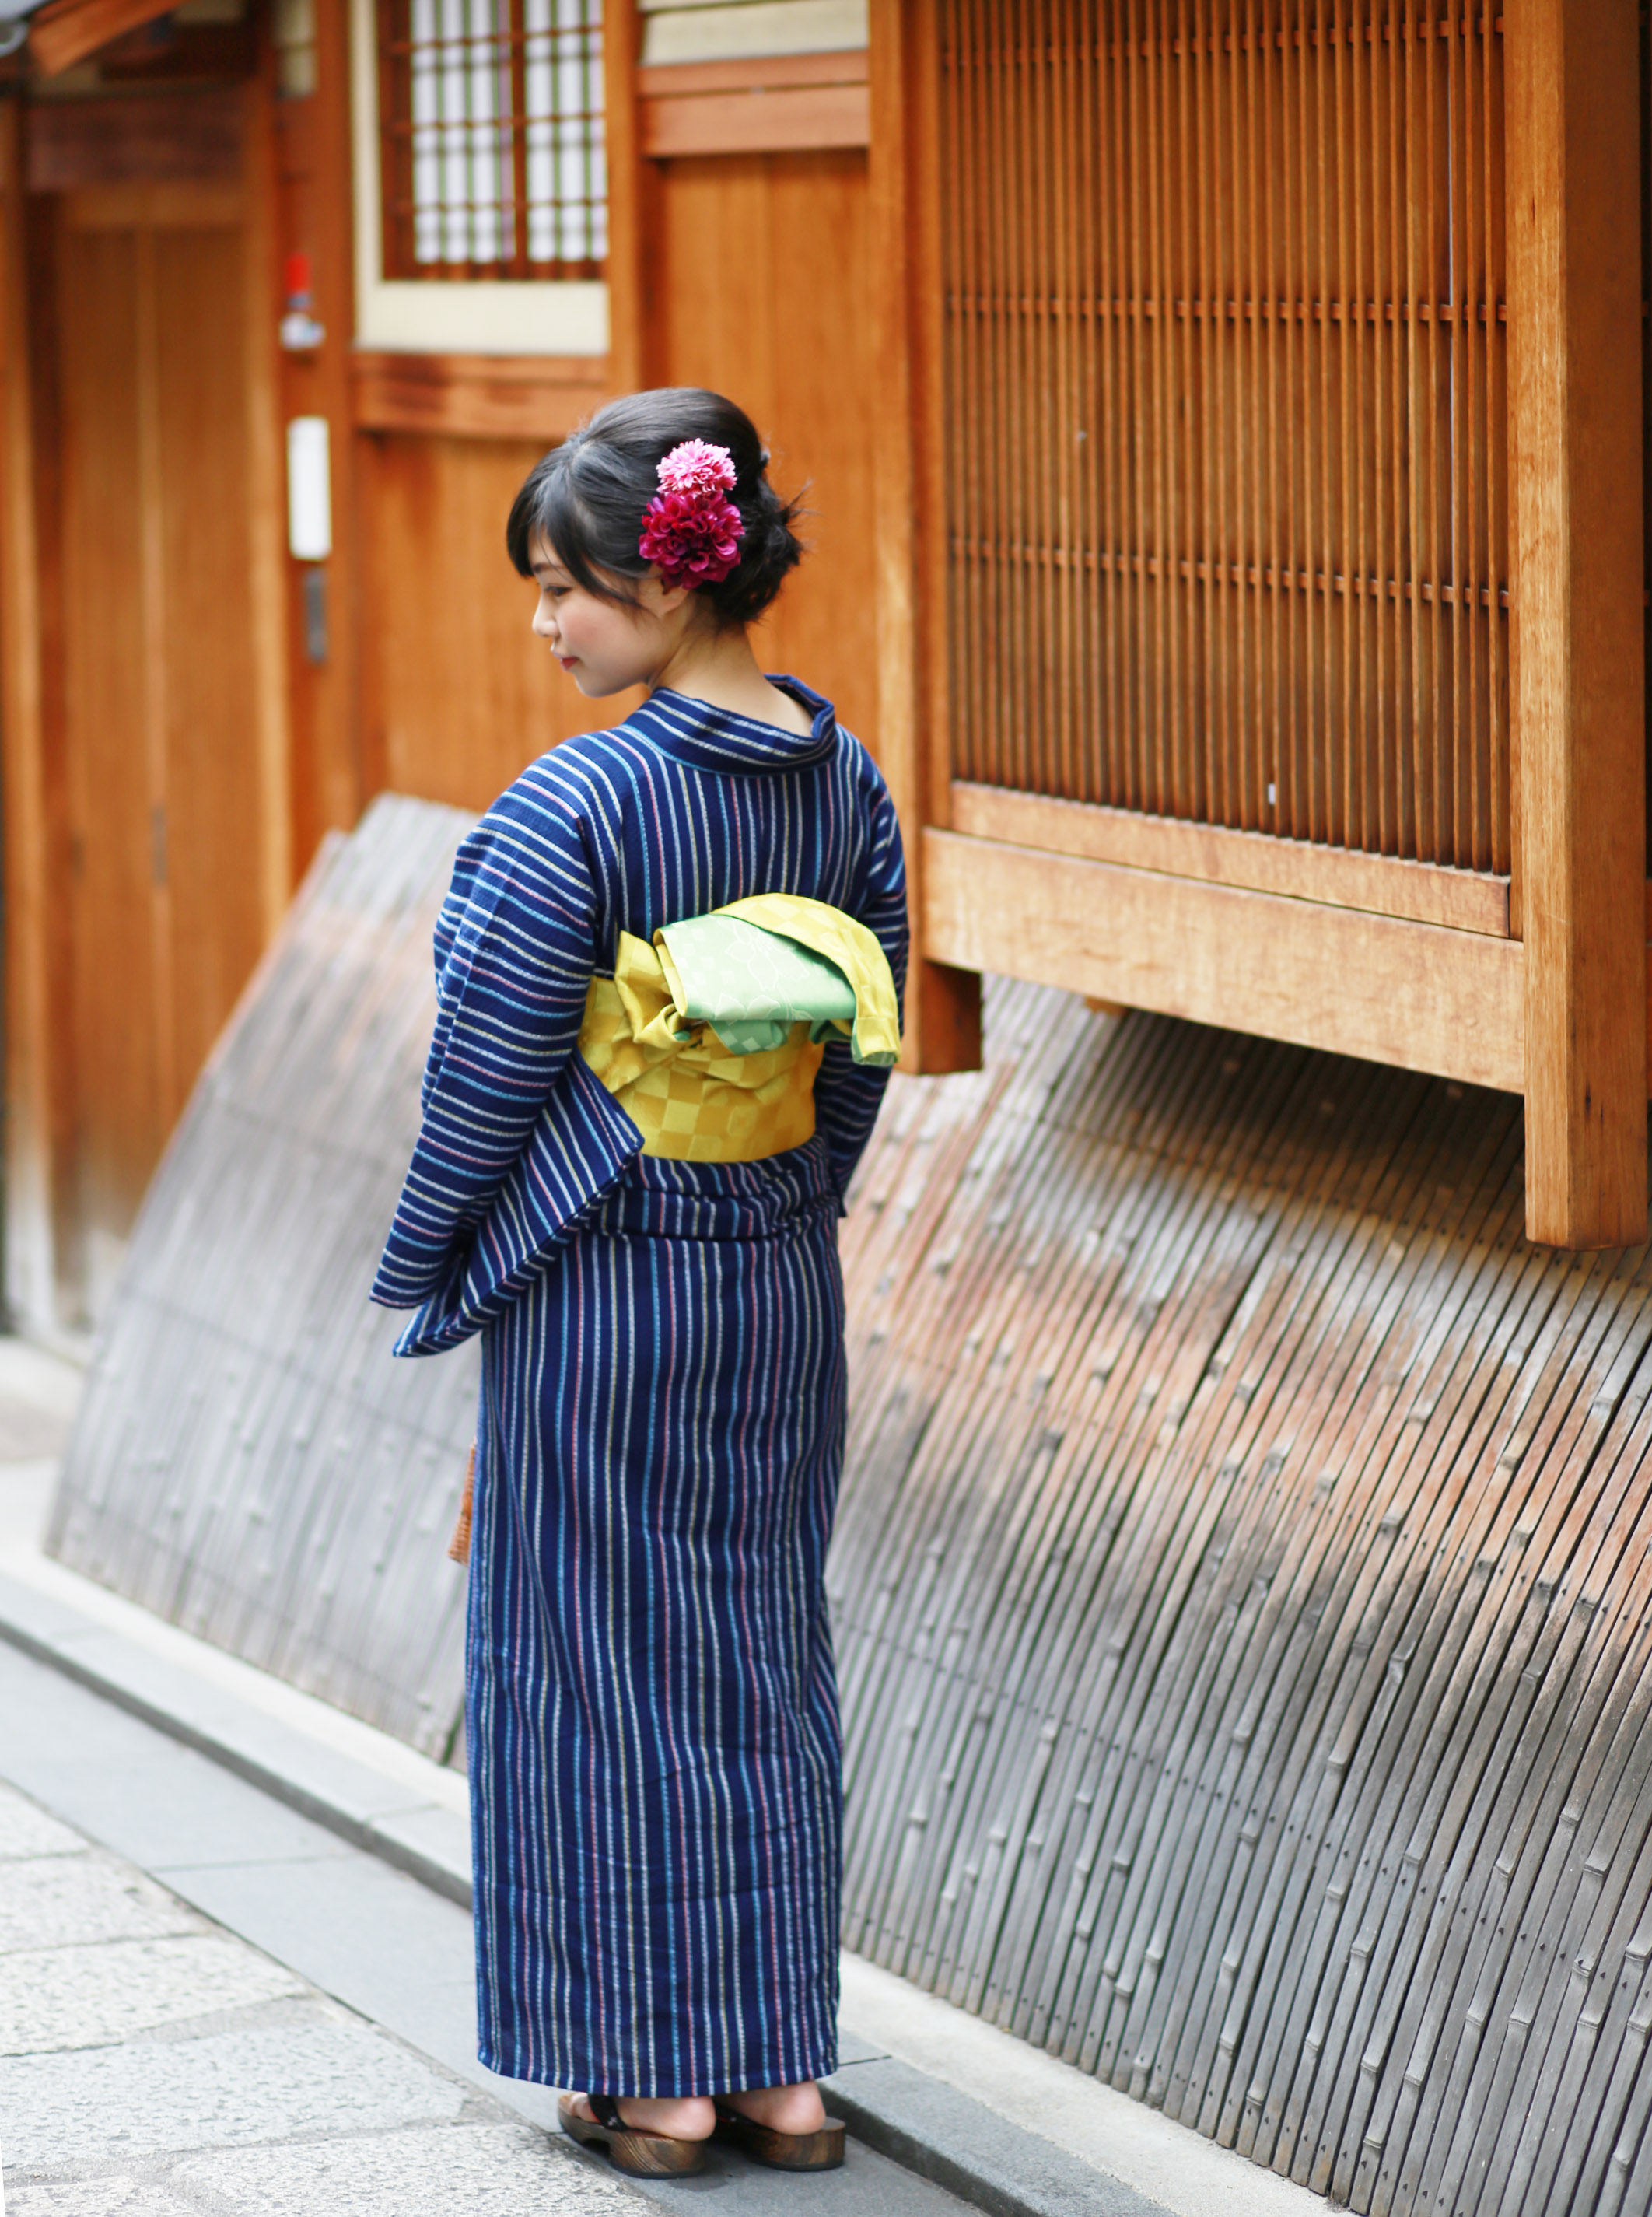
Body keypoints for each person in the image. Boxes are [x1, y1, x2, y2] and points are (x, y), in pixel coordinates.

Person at [372, 388, 908, 2180]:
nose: (545, 624)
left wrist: (432, 1258)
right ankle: (781, 2073)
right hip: (771, 1276)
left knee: (596, 1660)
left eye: (563, 588)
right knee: (758, 1651)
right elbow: (863, 1041)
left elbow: (490, 1074)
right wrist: (781, 1198)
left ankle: (656, 2081)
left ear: (665, 584)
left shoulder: (576, 803)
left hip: (608, 1283)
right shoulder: (849, 782)